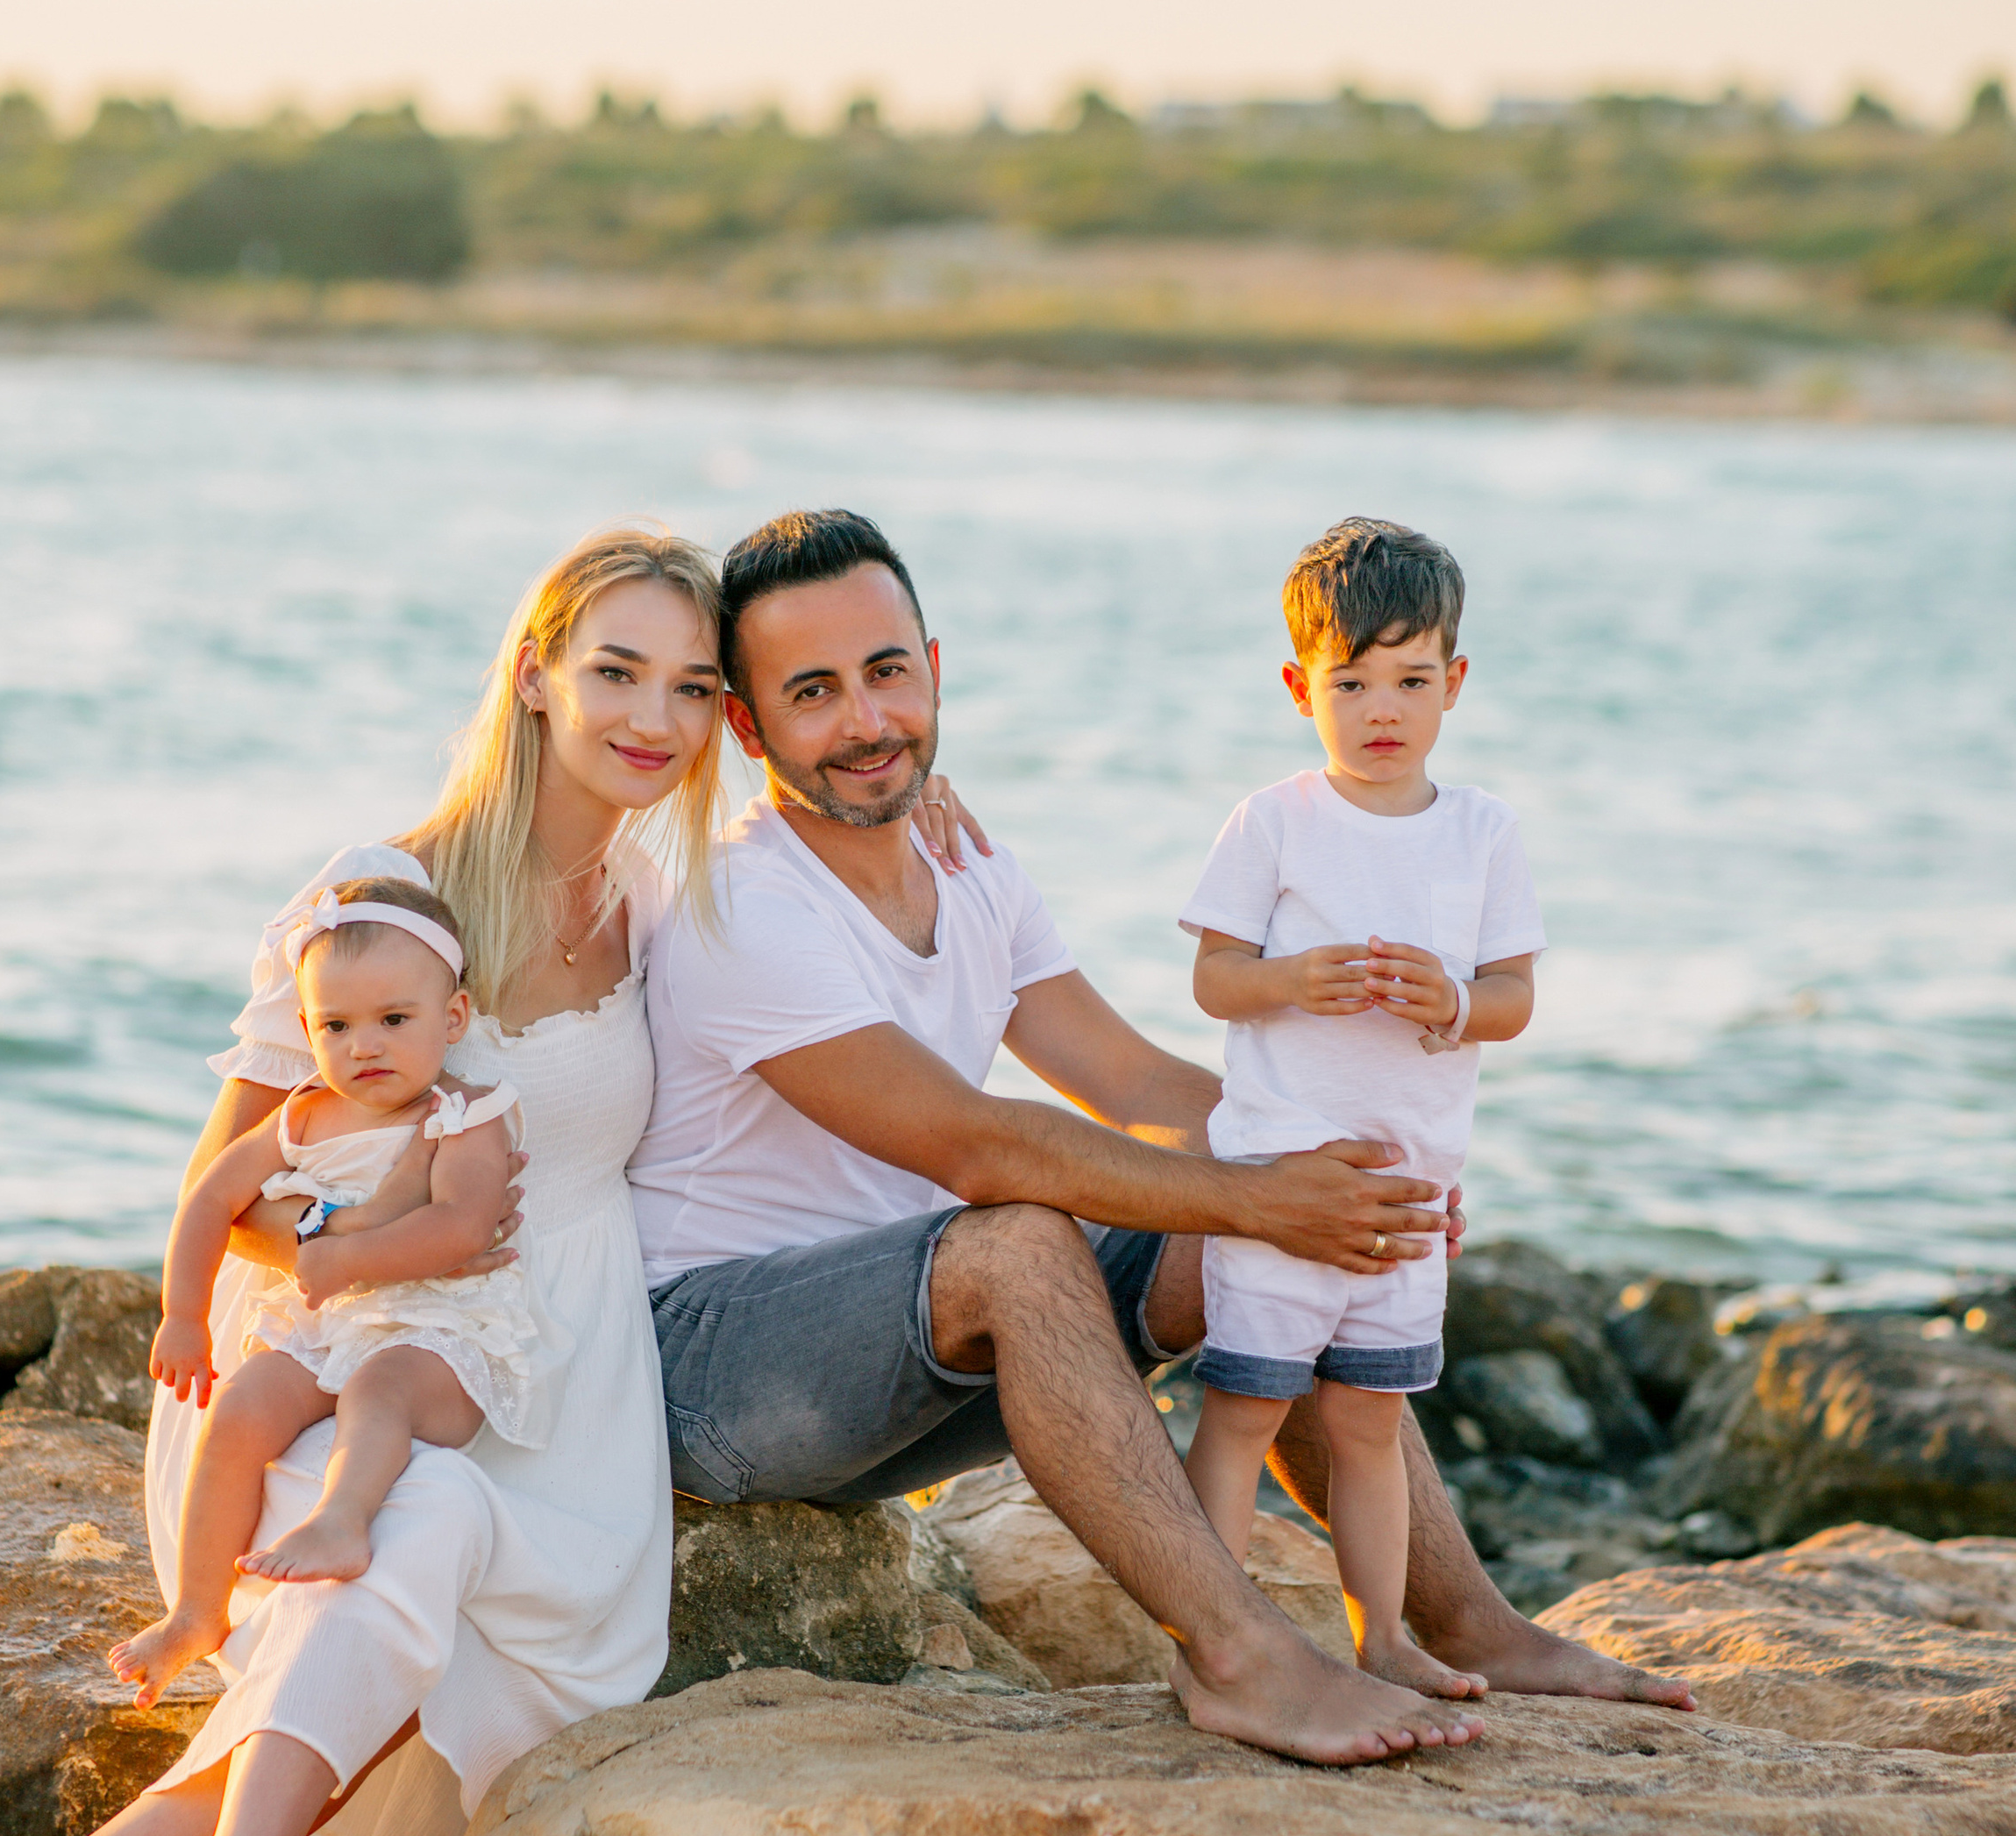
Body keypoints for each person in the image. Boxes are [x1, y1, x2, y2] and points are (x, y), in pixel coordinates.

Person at [0, 527, 730, 1836]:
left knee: (427, 1610)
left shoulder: (660, 905)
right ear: (535, 675)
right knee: (416, 1523)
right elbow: (228, 1188)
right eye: (617, 671)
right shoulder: (377, 898)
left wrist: (926, 822)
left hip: (558, 1379)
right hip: (322, 1361)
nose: (654, 717)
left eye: (695, 686)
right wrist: (364, 1250)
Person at [636, 507, 1694, 1770]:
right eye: (813, 693)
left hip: (902, 1362)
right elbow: (976, 1148)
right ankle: (1238, 1659)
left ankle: (1468, 1620)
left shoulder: (966, 865)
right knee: (1030, 1243)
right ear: (747, 725)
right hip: (719, 1369)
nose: (867, 721)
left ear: (935, 668)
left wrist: (1352, 1182)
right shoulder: (744, 904)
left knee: (1266, 1229)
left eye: (887, 671)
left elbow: (1132, 1078)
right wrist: (1258, 1196)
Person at [1179, 517, 1540, 1702]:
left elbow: (1513, 998)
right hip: (1280, 1182)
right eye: (1350, 682)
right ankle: (1211, 1644)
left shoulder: (1482, 833)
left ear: (1454, 683)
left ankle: (1382, 1639)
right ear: (1301, 688)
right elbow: (1213, 979)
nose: (1382, 709)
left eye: (1411, 681)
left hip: (1407, 1193)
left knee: (1370, 1426)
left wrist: (1456, 1000)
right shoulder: (1275, 821)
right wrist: (1289, 980)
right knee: (1245, 1412)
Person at [110, 879, 550, 1713]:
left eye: (394, 1020)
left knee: (379, 1390)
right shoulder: (305, 1115)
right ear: (307, 1031)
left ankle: (343, 1521)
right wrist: (183, 1316)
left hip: (437, 1332)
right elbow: (210, 1199)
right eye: (336, 1026)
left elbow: (463, 1225)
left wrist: (346, 1258)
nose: (365, 1046)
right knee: (240, 1408)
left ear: (453, 1018)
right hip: (326, 1325)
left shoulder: (462, 1114)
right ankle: (197, 1612)